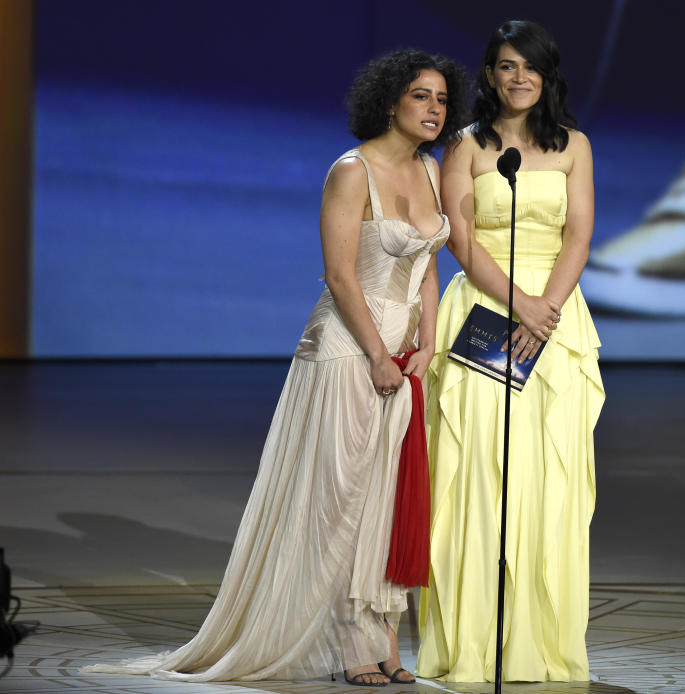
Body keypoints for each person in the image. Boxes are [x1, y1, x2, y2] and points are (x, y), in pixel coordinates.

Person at [81, 49, 468, 686]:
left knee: (386, 501)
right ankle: (350, 649)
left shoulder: (430, 171)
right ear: (390, 101)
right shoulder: (351, 171)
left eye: (442, 99)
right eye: (421, 96)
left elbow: (429, 264)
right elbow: (341, 274)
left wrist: (425, 342)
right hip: (350, 349)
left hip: (405, 354)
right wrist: (377, 353)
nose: (434, 109)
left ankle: (385, 642)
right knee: (343, 502)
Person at [416, 20, 605, 683]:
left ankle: (537, 644)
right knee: (477, 473)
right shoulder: (465, 147)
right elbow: (462, 240)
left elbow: (578, 232)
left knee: (543, 479)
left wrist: (546, 308)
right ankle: (470, 646)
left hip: (556, 323)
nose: (516, 77)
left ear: (547, 75)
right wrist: (519, 304)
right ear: (490, 75)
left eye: (529, 66)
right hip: (486, 317)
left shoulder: (574, 146)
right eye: (504, 65)